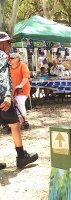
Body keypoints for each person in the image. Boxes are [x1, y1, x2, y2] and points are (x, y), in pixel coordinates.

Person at [0, 31, 38, 170]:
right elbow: (3, 76)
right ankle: (21, 157)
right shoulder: (2, 55)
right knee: (15, 124)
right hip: (2, 97)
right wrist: (7, 95)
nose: (10, 45)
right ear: (2, 43)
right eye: (8, 42)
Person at [9, 53, 31, 127]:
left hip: (23, 90)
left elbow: (26, 77)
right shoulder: (9, 68)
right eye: (10, 58)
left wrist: (21, 85)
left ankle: (23, 120)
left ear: (18, 59)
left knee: (19, 102)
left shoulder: (23, 65)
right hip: (12, 90)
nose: (10, 59)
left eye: (12, 58)